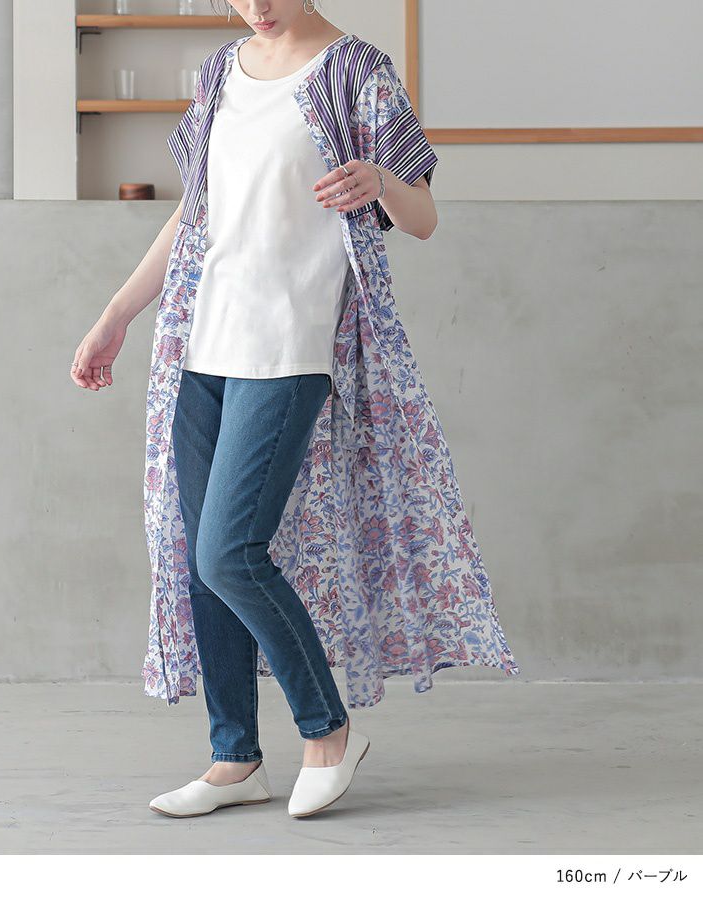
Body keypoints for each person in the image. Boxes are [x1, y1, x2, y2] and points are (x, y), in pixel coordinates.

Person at [71, 1, 516, 820]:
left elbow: (422, 218)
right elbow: (194, 211)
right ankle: (234, 757)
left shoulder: (357, 72)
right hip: (200, 345)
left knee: (229, 553)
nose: (257, 6)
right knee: (199, 562)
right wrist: (116, 315)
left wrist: (380, 181)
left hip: (290, 346)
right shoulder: (219, 72)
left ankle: (328, 730)